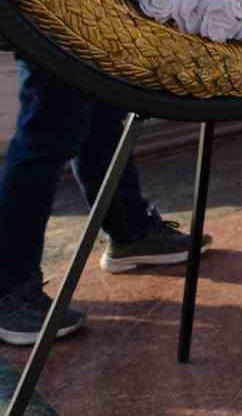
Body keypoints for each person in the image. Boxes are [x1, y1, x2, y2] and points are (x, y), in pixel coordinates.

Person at [1, 58, 212, 345]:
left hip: (85, 21)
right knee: (47, 127)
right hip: (50, 20)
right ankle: (9, 289)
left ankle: (131, 232)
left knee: (101, 115)